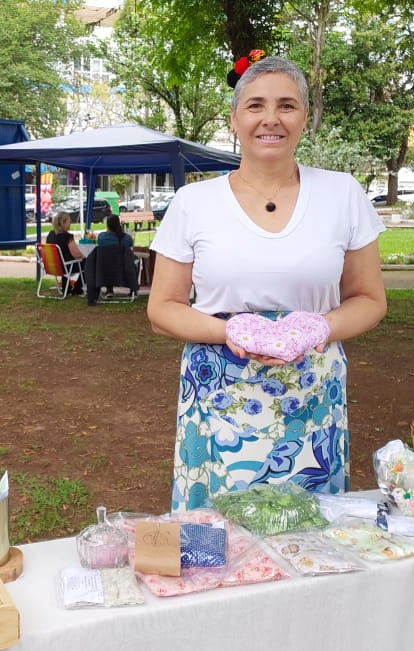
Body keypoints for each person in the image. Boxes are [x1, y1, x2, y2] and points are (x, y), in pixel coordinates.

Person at [146, 53, 387, 511]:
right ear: (234, 118)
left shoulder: (343, 194)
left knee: (308, 535)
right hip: (219, 393)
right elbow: (163, 309)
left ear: (304, 117)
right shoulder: (193, 202)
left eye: (287, 105)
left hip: (312, 394)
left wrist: (320, 328)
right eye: (255, 106)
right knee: (218, 543)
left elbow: (370, 298)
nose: (270, 119)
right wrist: (229, 330)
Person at [45, 211, 84, 294]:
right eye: (69, 221)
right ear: (63, 223)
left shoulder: (50, 235)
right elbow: (76, 255)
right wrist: (86, 255)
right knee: (89, 262)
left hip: (53, 266)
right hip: (66, 266)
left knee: (66, 260)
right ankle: (77, 287)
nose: (71, 223)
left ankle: (67, 287)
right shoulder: (67, 236)